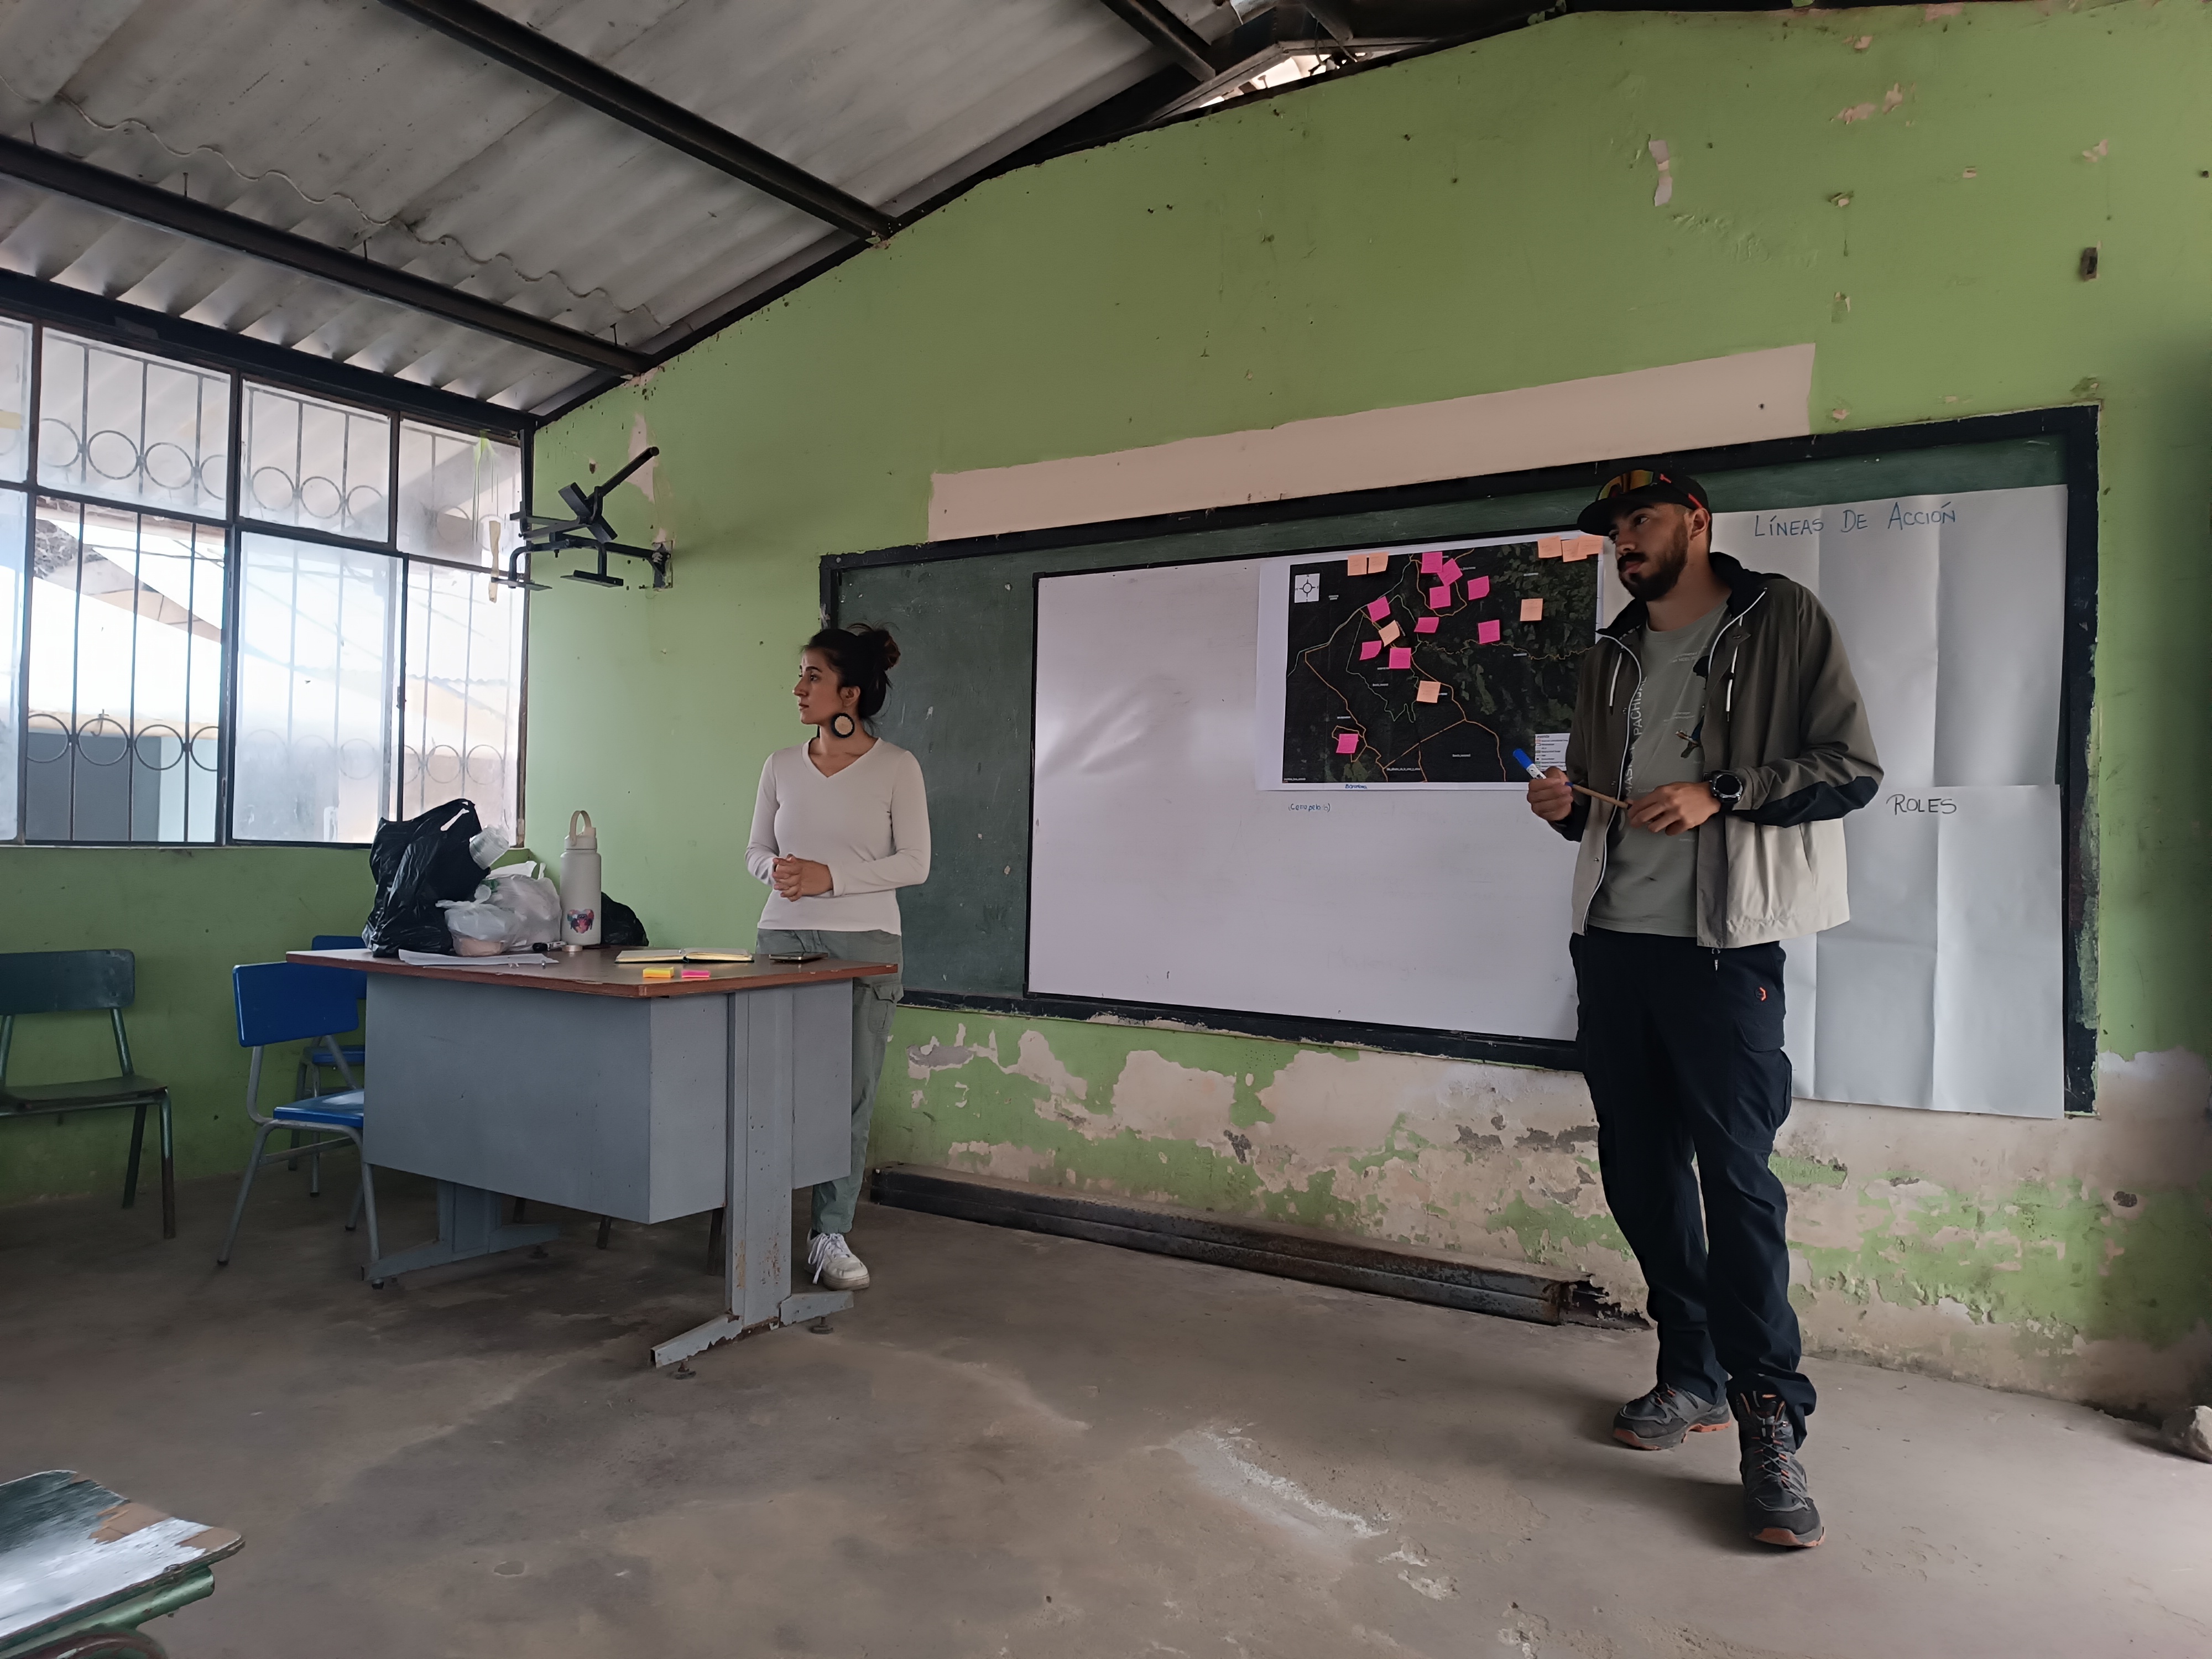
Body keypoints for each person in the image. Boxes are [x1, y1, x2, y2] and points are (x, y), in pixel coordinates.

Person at [1525, 469, 1880, 1550]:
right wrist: (1561, 806)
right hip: (1612, 946)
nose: (1621, 543)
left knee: (1736, 1182)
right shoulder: (1611, 654)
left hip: (1725, 951)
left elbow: (1849, 770)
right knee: (1638, 1170)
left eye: (1638, 522)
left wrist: (1720, 793)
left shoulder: (1780, 620)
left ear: (1695, 521)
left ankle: (1771, 1417)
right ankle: (1691, 1371)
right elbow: (1601, 804)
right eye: (1611, 533)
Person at [747, 624, 930, 1294]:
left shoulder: (897, 767)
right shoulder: (780, 765)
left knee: (847, 1096)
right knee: (766, 1089)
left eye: (813, 676)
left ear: (850, 693)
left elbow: (915, 863)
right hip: (782, 941)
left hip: (866, 944)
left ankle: (829, 1233)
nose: (799, 688)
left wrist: (832, 878)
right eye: (800, 674)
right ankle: (758, 1222)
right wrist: (775, 871)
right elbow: (755, 850)